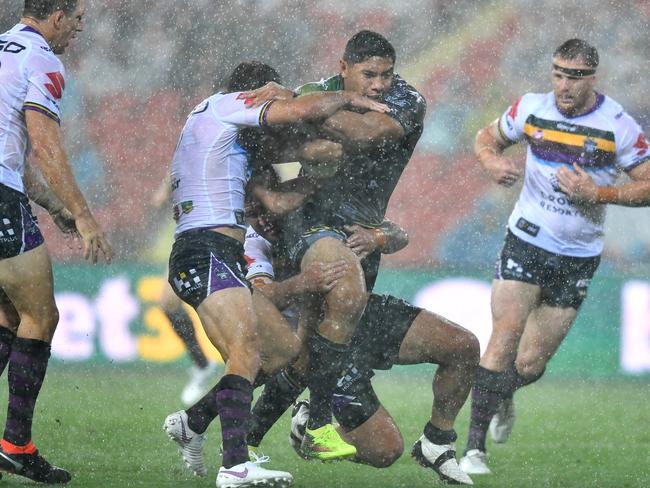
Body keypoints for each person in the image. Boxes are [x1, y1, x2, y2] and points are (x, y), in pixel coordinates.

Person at [241, 30, 478, 484]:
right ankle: (302, 418)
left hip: (355, 281)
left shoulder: (406, 100)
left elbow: (370, 131)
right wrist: (300, 150)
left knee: (461, 349)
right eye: (368, 75)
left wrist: (381, 235)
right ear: (344, 69)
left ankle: (436, 442)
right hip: (312, 232)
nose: (379, 85)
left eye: (386, 74)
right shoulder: (315, 94)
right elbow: (271, 149)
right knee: (324, 316)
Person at [161, 60, 388, 488]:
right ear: (254, 96)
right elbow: (300, 113)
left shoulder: (223, 126)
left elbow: (302, 149)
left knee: (280, 352)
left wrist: (319, 152)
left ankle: (192, 423)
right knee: (245, 351)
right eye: (267, 102)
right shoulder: (229, 106)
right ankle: (234, 467)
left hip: (212, 250)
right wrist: (344, 98)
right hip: (206, 248)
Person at [459, 39, 650, 475]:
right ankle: (473, 450)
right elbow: (486, 139)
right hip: (526, 238)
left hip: (578, 256)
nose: (563, 85)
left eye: (574, 77)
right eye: (558, 74)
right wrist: (491, 163)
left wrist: (598, 193)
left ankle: (503, 392)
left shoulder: (617, 125)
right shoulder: (530, 108)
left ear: (592, 79)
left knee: (529, 362)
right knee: (504, 335)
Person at [242, 206, 477, 486]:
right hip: (318, 341)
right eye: (253, 212)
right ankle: (298, 431)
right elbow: (263, 297)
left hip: (364, 315)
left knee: (462, 346)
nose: (264, 219)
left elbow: (399, 235)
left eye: (266, 208)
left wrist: (375, 236)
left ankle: (437, 443)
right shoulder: (252, 241)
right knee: (385, 451)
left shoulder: (325, 205)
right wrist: (302, 282)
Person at [0, 0, 114, 483]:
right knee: (41, 316)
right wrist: (85, 216)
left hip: (8, 187)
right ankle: (16, 444)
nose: (81, 29)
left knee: (7, 315)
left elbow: (12, 148)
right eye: (79, 19)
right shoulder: (42, 57)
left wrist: (52, 205)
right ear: (58, 16)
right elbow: (43, 142)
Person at [151, 177, 218, 406]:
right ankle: (202, 364)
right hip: (194, 225)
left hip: (226, 222)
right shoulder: (192, 145)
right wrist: (166, 186)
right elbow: (182, 154)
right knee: (167, 302)